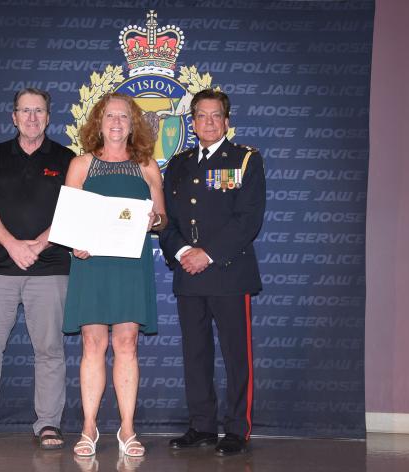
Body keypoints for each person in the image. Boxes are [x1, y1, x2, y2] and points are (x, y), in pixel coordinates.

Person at [0, 88, 75, 449]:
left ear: (48, 117)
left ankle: (48, 424)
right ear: (14, 117)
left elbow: (72, 212)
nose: (32, 117)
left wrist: (37, 245)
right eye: (25, 111)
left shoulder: (66, 158)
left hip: (49, 268)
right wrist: (12, 245)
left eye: (38, 111)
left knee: (50, 350)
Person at [158, 89, 266, 456]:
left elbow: (248, 219)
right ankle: (202, 425)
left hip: (228, 273)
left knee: (236, 356)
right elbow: (168, 220)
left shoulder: (245, 160)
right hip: (188, 274)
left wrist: (207, 254)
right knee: (195, 355)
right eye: (201, 116)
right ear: (192, 123)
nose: (208, 122)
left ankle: (237, 429)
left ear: (227, 121)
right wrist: (183, 252)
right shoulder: (179, 164)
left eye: (215, 115)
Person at [62, 93, 167, 458]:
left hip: (130, 264)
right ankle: (89, 427)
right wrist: (75, 243)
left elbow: (162, 218)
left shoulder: (147, 165)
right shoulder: (81, 165)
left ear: (133, 123)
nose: (117, 122)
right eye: (110, 116)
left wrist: (154, 219)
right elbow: (70, 218)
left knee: (127, 344)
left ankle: (127, 429)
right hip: (91, 263)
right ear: (99, 122)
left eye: (123, 116)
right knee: (93, 344)